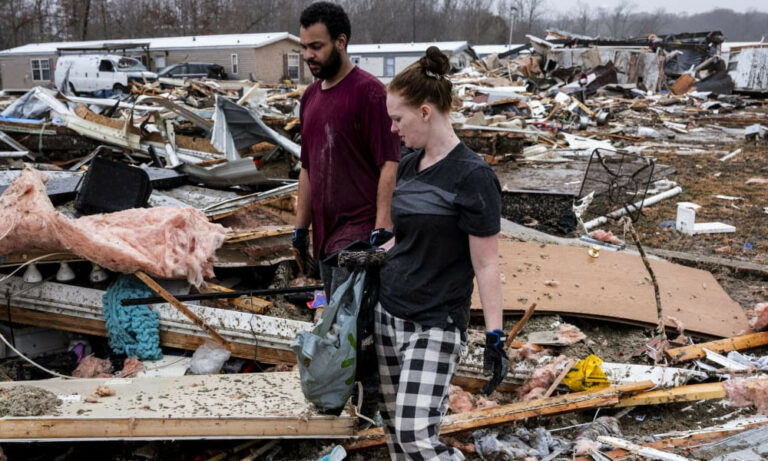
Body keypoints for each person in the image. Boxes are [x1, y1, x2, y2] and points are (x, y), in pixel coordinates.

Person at [376, 46, 509, 460]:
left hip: (435, 322)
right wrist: (376, 251)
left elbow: (486, 264)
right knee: (395, 434)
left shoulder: (472, 176)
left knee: (416, 437)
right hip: (388, 314)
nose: (394, 129)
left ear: (426, 111)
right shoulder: (411, 163)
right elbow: (410, 236)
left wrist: (494, 337)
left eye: (398, 119)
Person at [293, 2, 400, 296]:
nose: (308, 56)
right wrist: (301, 229)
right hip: (325, 235)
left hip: (358, 234)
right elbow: (307, 167)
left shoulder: (370, 93)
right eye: (304, 47)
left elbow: (389, 163)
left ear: (341, 42)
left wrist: (382, 228)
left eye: (316, 46)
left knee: (352, 323)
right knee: (339, 321)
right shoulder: (310, 97)